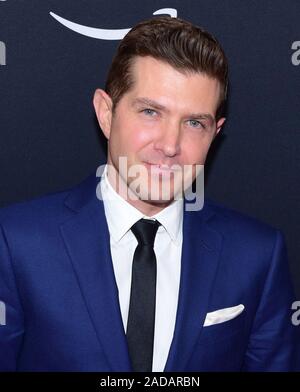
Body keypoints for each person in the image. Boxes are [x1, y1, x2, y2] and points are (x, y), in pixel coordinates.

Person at [0, 16, 298, 372]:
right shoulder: (16, 243)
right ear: (106, 113)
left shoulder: (257, 256)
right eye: (150, 112)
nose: (170, 146)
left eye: (193, 123)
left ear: (215, 133)